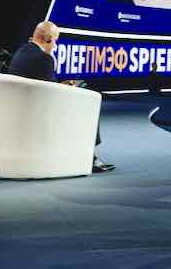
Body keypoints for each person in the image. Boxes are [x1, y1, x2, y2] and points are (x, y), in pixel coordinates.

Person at [8, 21, 114, 174]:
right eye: (55, 40)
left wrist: (62, 85)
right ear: (48, 39)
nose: (55, 45)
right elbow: (51, 94)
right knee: (87, 106)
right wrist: (70, 88)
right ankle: (89, 158)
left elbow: (44, 84)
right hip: (41, 111)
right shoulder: (44, 58)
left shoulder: (21, 52)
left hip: (22, 106)